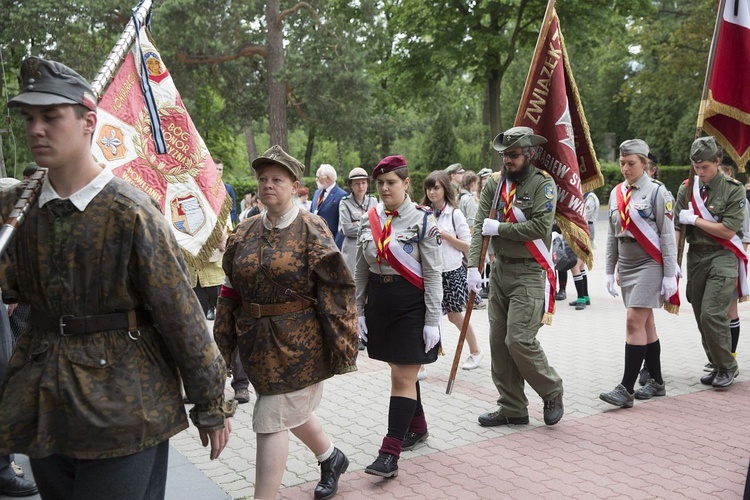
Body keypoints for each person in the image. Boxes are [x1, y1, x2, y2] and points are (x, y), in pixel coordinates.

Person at [0, 56, 231, 499]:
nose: (36, 129)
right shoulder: (19, 207)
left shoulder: (130, 212)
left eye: (51, 117)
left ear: (89, 122)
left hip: (123, 406)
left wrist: (212, 404)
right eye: (29, 118)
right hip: (46, 399)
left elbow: (180, 314)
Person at [213, 145, 358, 499]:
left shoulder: (312, 228)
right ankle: (331, 457)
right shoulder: (244, 232)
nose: (268, 185)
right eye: (263, 179)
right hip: (257, 344)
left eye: (277, 179)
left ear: (294, 185)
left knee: (271, 418)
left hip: (300, 343)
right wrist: (222, 342)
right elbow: (230, 291)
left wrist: (344, 343)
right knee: (289, 410)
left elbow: (337, 288)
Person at [466, 126, 564, 427]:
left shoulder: (542, 185)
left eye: (514, 155)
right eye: (504, 155)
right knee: (498, 342)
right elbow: (480, 225)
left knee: (518, 339)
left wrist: (502, 230)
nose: (507, 160)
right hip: (500, 271)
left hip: (529, 271)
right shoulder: (494, 185)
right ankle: (512, 407)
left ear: (530, 154)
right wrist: (472, 266)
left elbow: (540, 228)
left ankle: (552, 390)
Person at [356, 155, 443, 478]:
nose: (384, 188)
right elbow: (360, 268)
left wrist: (433, 320)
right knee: (399, 368)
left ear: (406, 184)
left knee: (402, 377)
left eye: (391, 182)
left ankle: (389, 453)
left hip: (411, 306)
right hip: (380, 304)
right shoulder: (370, 218)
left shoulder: (423, 223)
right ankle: (417, 427)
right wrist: (358, 311)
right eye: (380, 183)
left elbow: (434, 276)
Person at [599, 139, 677, 408]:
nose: (625, 168)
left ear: (645, 164)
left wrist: (670, 273)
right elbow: (612, 236)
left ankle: (626, 388)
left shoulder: (657, 192)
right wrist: (609, 271)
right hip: (629, 264)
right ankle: (656, 381)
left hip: (650, 264)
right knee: (646, 325)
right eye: (622, 163)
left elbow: (667, 236)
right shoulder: (616, 193)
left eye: (631, 163)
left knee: (634, 320)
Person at [675, 136, 746, 389]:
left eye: (705, 167)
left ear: (717, 161)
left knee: (712, 313)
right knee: (699, 314)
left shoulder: (732, 188)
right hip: (696, 256)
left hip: (722, 255)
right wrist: (673, 263)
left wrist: (694, 220)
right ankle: (716, 363)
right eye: (696, 167)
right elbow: (677, 229)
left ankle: (728, 366)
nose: (700, 172)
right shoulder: (687, 188)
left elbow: (728, 231)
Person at [422, 171, 484, 370]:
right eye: (429, 188)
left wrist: (447, 237)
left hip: (451, 271)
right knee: (425, 315)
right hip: (430, 273)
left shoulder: (455, 213)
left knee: (455, 316)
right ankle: (420, 364)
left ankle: (476, 351)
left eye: (436, 188)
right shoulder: (423, 212)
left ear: (445, 189)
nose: (432, 192)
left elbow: (469, 245)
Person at [339, 168, 377, 274]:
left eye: (363, 183)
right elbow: (347, 229)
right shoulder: (345, 203)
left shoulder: (373, 200)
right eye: (356, 183)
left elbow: (379, 225)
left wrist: (357, 223)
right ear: (351, 185)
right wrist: (369, 226)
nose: (360, 186)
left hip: (370, 248)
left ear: (367, 184)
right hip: (352, 249)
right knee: (353, 281)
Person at [311, 164, 347, 249]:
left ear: (326, 178)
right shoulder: (317, 192)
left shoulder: (341, 195)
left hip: (330, 244)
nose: (316, 179)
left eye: (318, 177)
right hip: (314, 242)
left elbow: (342, 225)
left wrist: (335, 247)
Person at [215, 158, 238, 225]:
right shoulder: (205, 187)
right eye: (216, 169)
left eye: (220, 169)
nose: (218, 172)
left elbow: (233, 209)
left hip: (225, 225)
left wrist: (226, 224)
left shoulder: (228, 188)